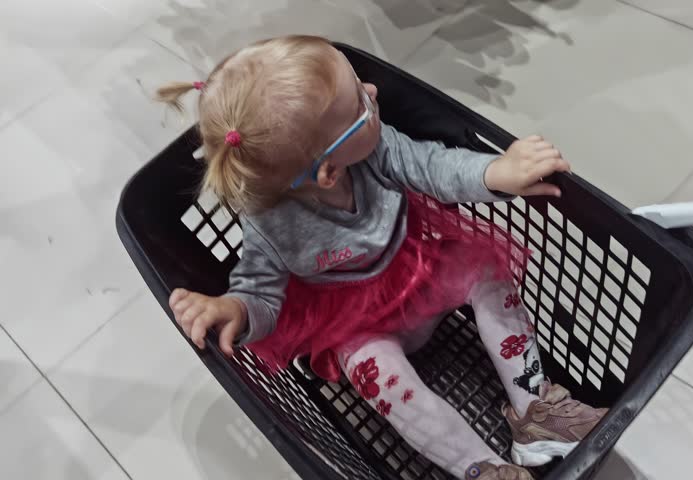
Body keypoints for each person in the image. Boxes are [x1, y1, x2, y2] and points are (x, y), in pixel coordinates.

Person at [157, 35, 606, 480]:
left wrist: (494, 172)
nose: (372, 92)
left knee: (483, 266)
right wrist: (235, 309)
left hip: (415, 274)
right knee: (380, 376)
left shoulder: (377, 149)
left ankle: (535, 411)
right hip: (353, 326)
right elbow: (260, 293)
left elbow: (433, 166)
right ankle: (484, 469)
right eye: (360, 104)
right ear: (328, 171)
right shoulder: (269, 226)